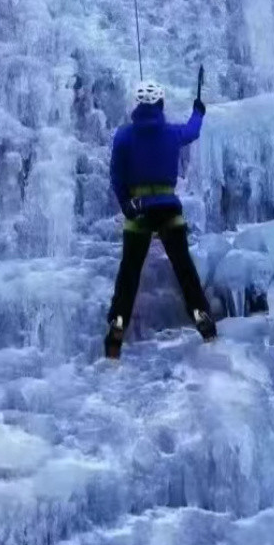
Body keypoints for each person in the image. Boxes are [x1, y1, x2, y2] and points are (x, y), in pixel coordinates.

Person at [104, 78, 218, 359]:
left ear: (138, 105)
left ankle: (117, 329)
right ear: (161, 104)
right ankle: (202, 318)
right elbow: (193, 131)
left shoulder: (124, 136)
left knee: (129, 274)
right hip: (168, 208)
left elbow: (116, 176)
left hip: (139, 210)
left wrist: (126, 205)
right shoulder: (171, 133)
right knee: (184, 269)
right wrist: (198, 110)